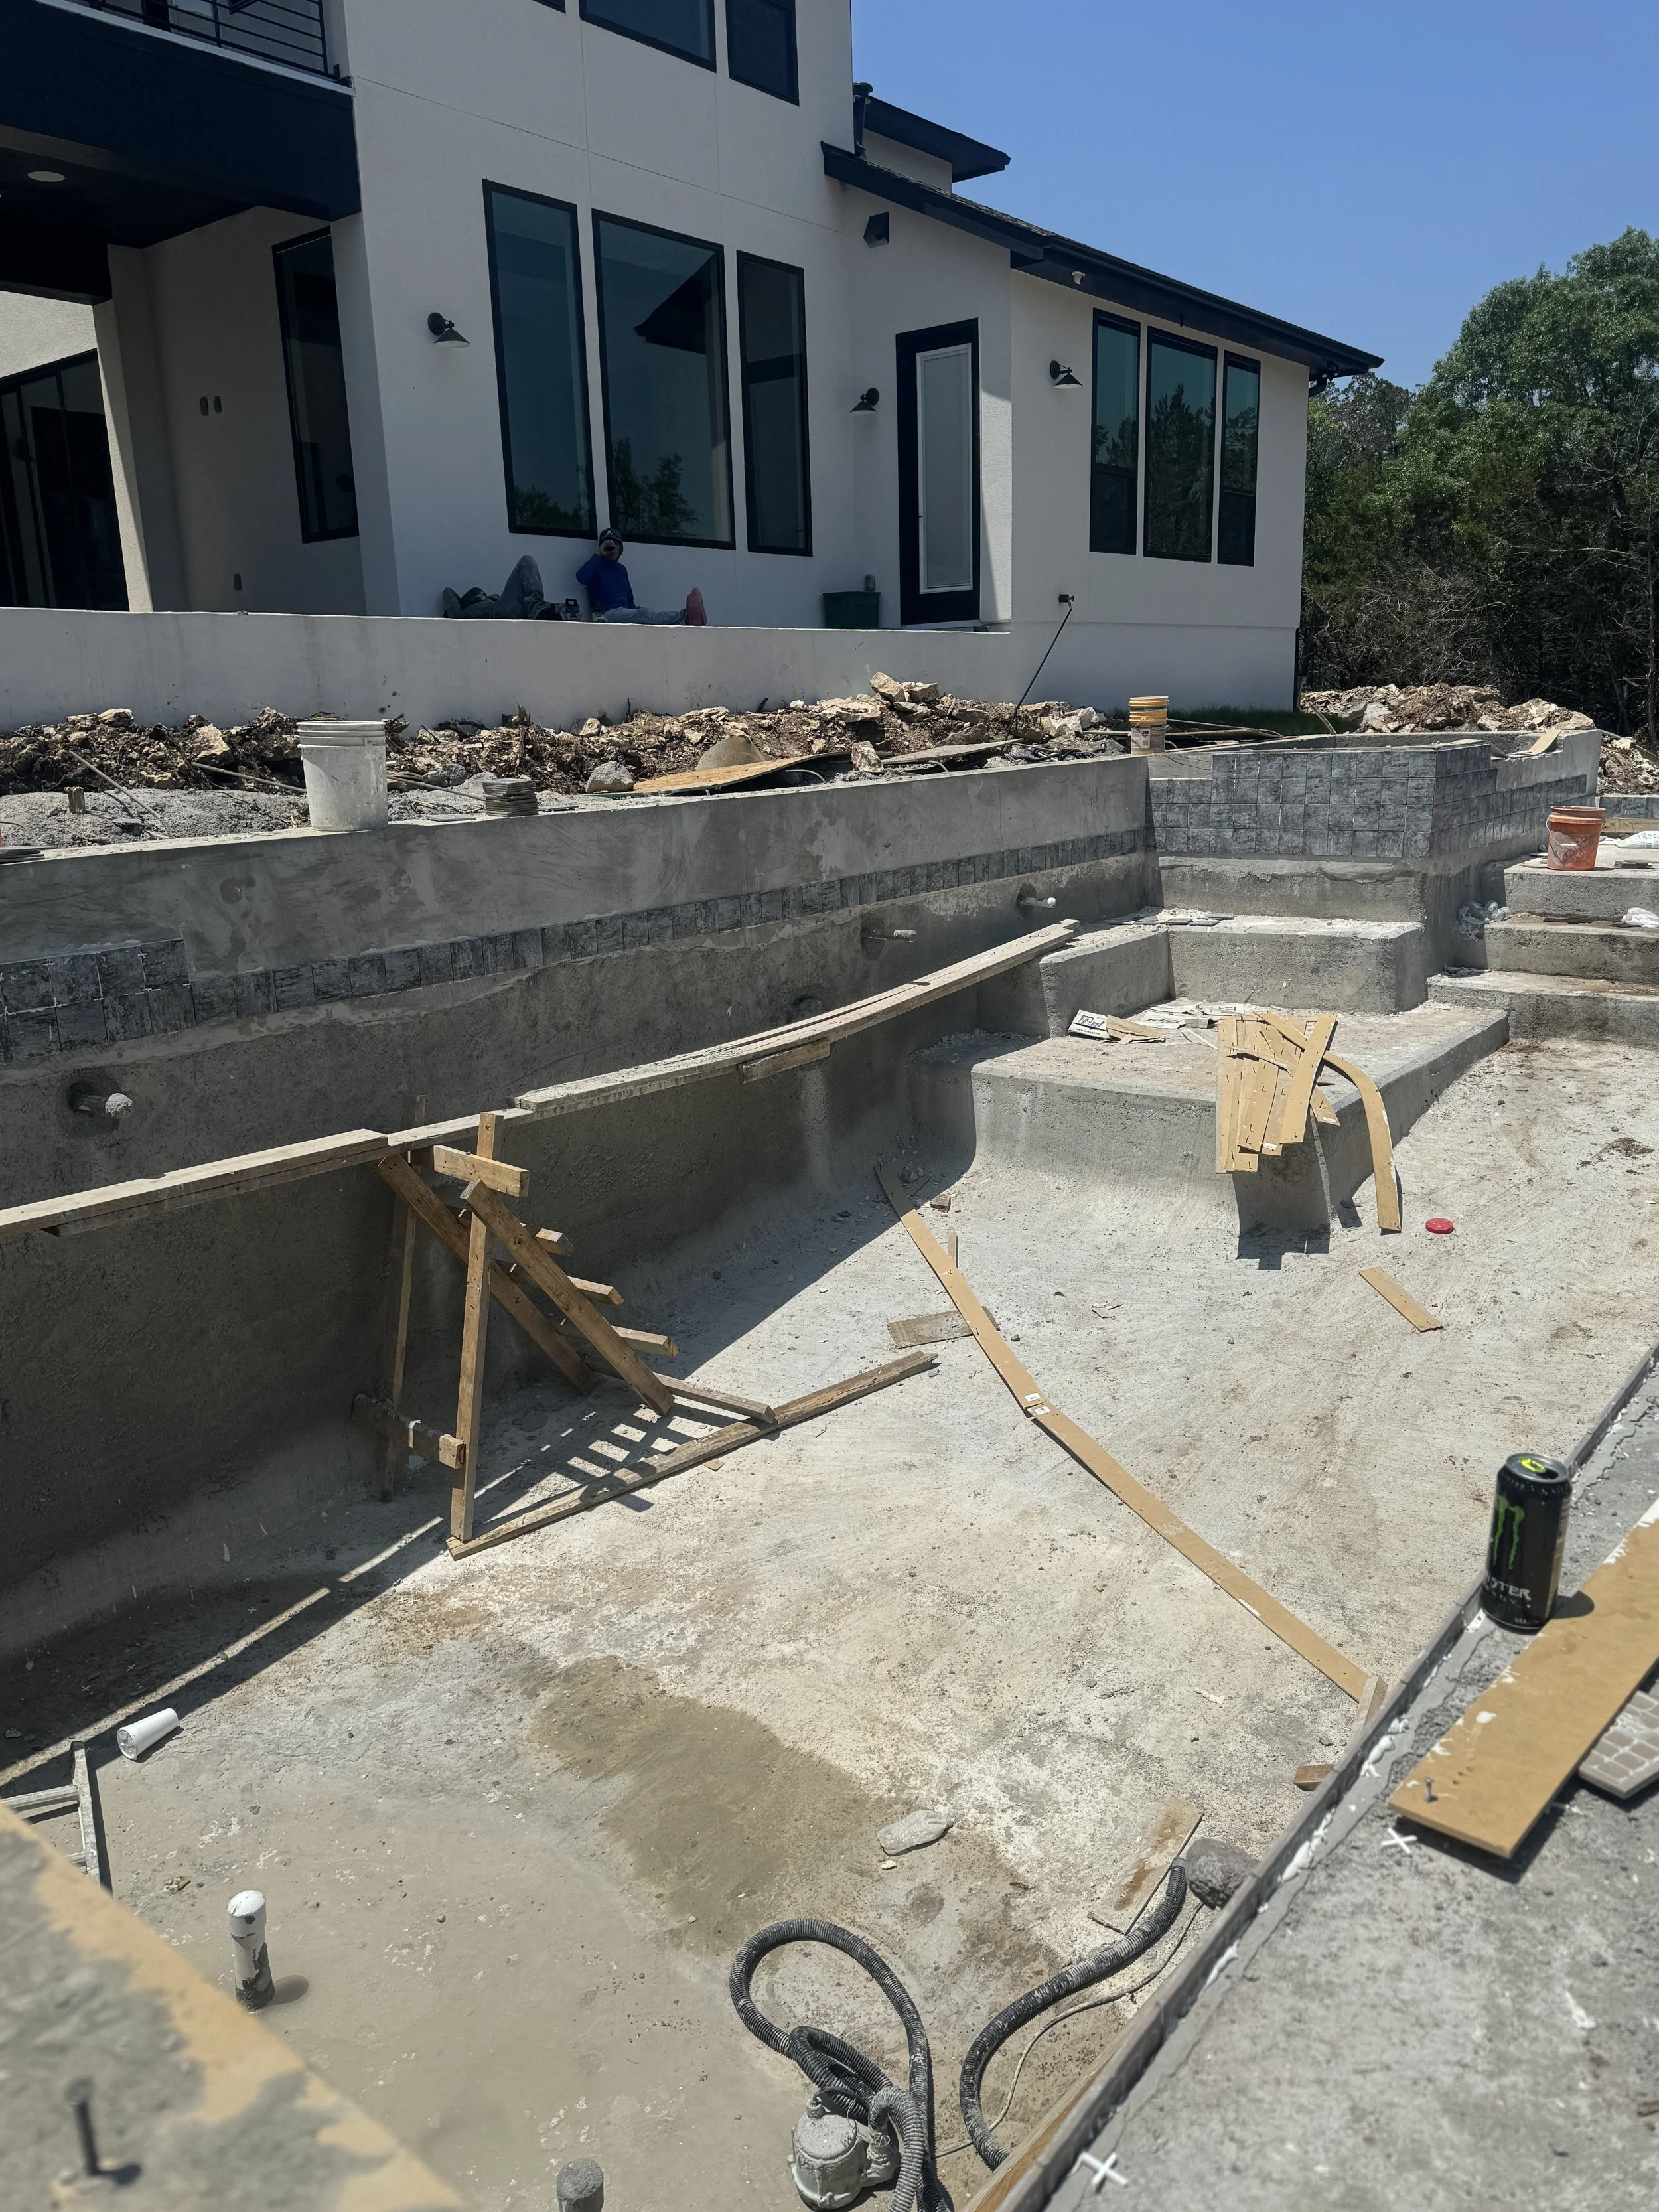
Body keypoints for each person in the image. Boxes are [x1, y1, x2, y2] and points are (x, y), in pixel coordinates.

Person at [577, 530, 706, 625]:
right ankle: (685, 615)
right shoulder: (596, 564)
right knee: (643, 614)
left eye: (614, 544)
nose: (611, 547)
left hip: (625, 612)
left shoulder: (622, 570)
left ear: (620, 548)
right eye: (607, 543)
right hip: (607, 613)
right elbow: (581, 577)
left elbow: (629, 598)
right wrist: (599, 554)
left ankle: (686, 621)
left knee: (645, 614)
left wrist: (634, 612)